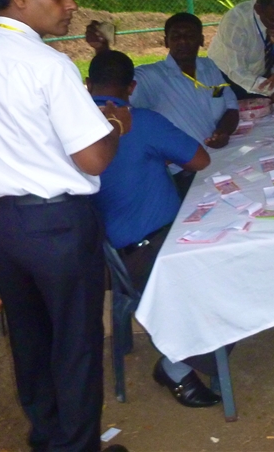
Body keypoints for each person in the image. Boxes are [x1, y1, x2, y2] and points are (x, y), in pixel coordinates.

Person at [0, 0, 131, 452]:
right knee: (75, 344)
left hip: (4, 226)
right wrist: (117, 124)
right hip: (56, 224)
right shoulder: (47, 64)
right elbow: (93, 158)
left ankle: (47, 436)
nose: (70, 4)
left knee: (30, 340)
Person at [86, 51, 222, 408]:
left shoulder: (68, 122)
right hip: (154, 248)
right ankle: (176, 366)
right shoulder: (140, 121)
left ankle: (190, 352)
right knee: (232, 272)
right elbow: (200, 160)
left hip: (106, 252)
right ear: (132, 86)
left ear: (87, 84)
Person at [94, 13, 238, 197]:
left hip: (220, 159)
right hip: (184, 174)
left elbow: (230, 105)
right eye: (176, 36)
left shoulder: (208, 67)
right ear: (166, 42)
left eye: (190, 35)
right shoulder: (150, 76)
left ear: (201, 40)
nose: (183, 41)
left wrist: (223, 132)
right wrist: (102, 50)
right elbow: (112, 83)